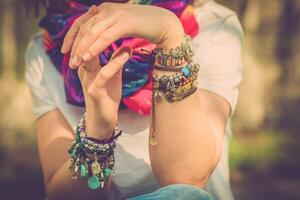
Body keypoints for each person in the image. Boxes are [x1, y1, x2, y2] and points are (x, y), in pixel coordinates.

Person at [25, 0, 243, 199]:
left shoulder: (212, 26)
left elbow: (185, 179)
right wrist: (98, 129)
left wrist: (170, 38)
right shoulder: (47, 52)